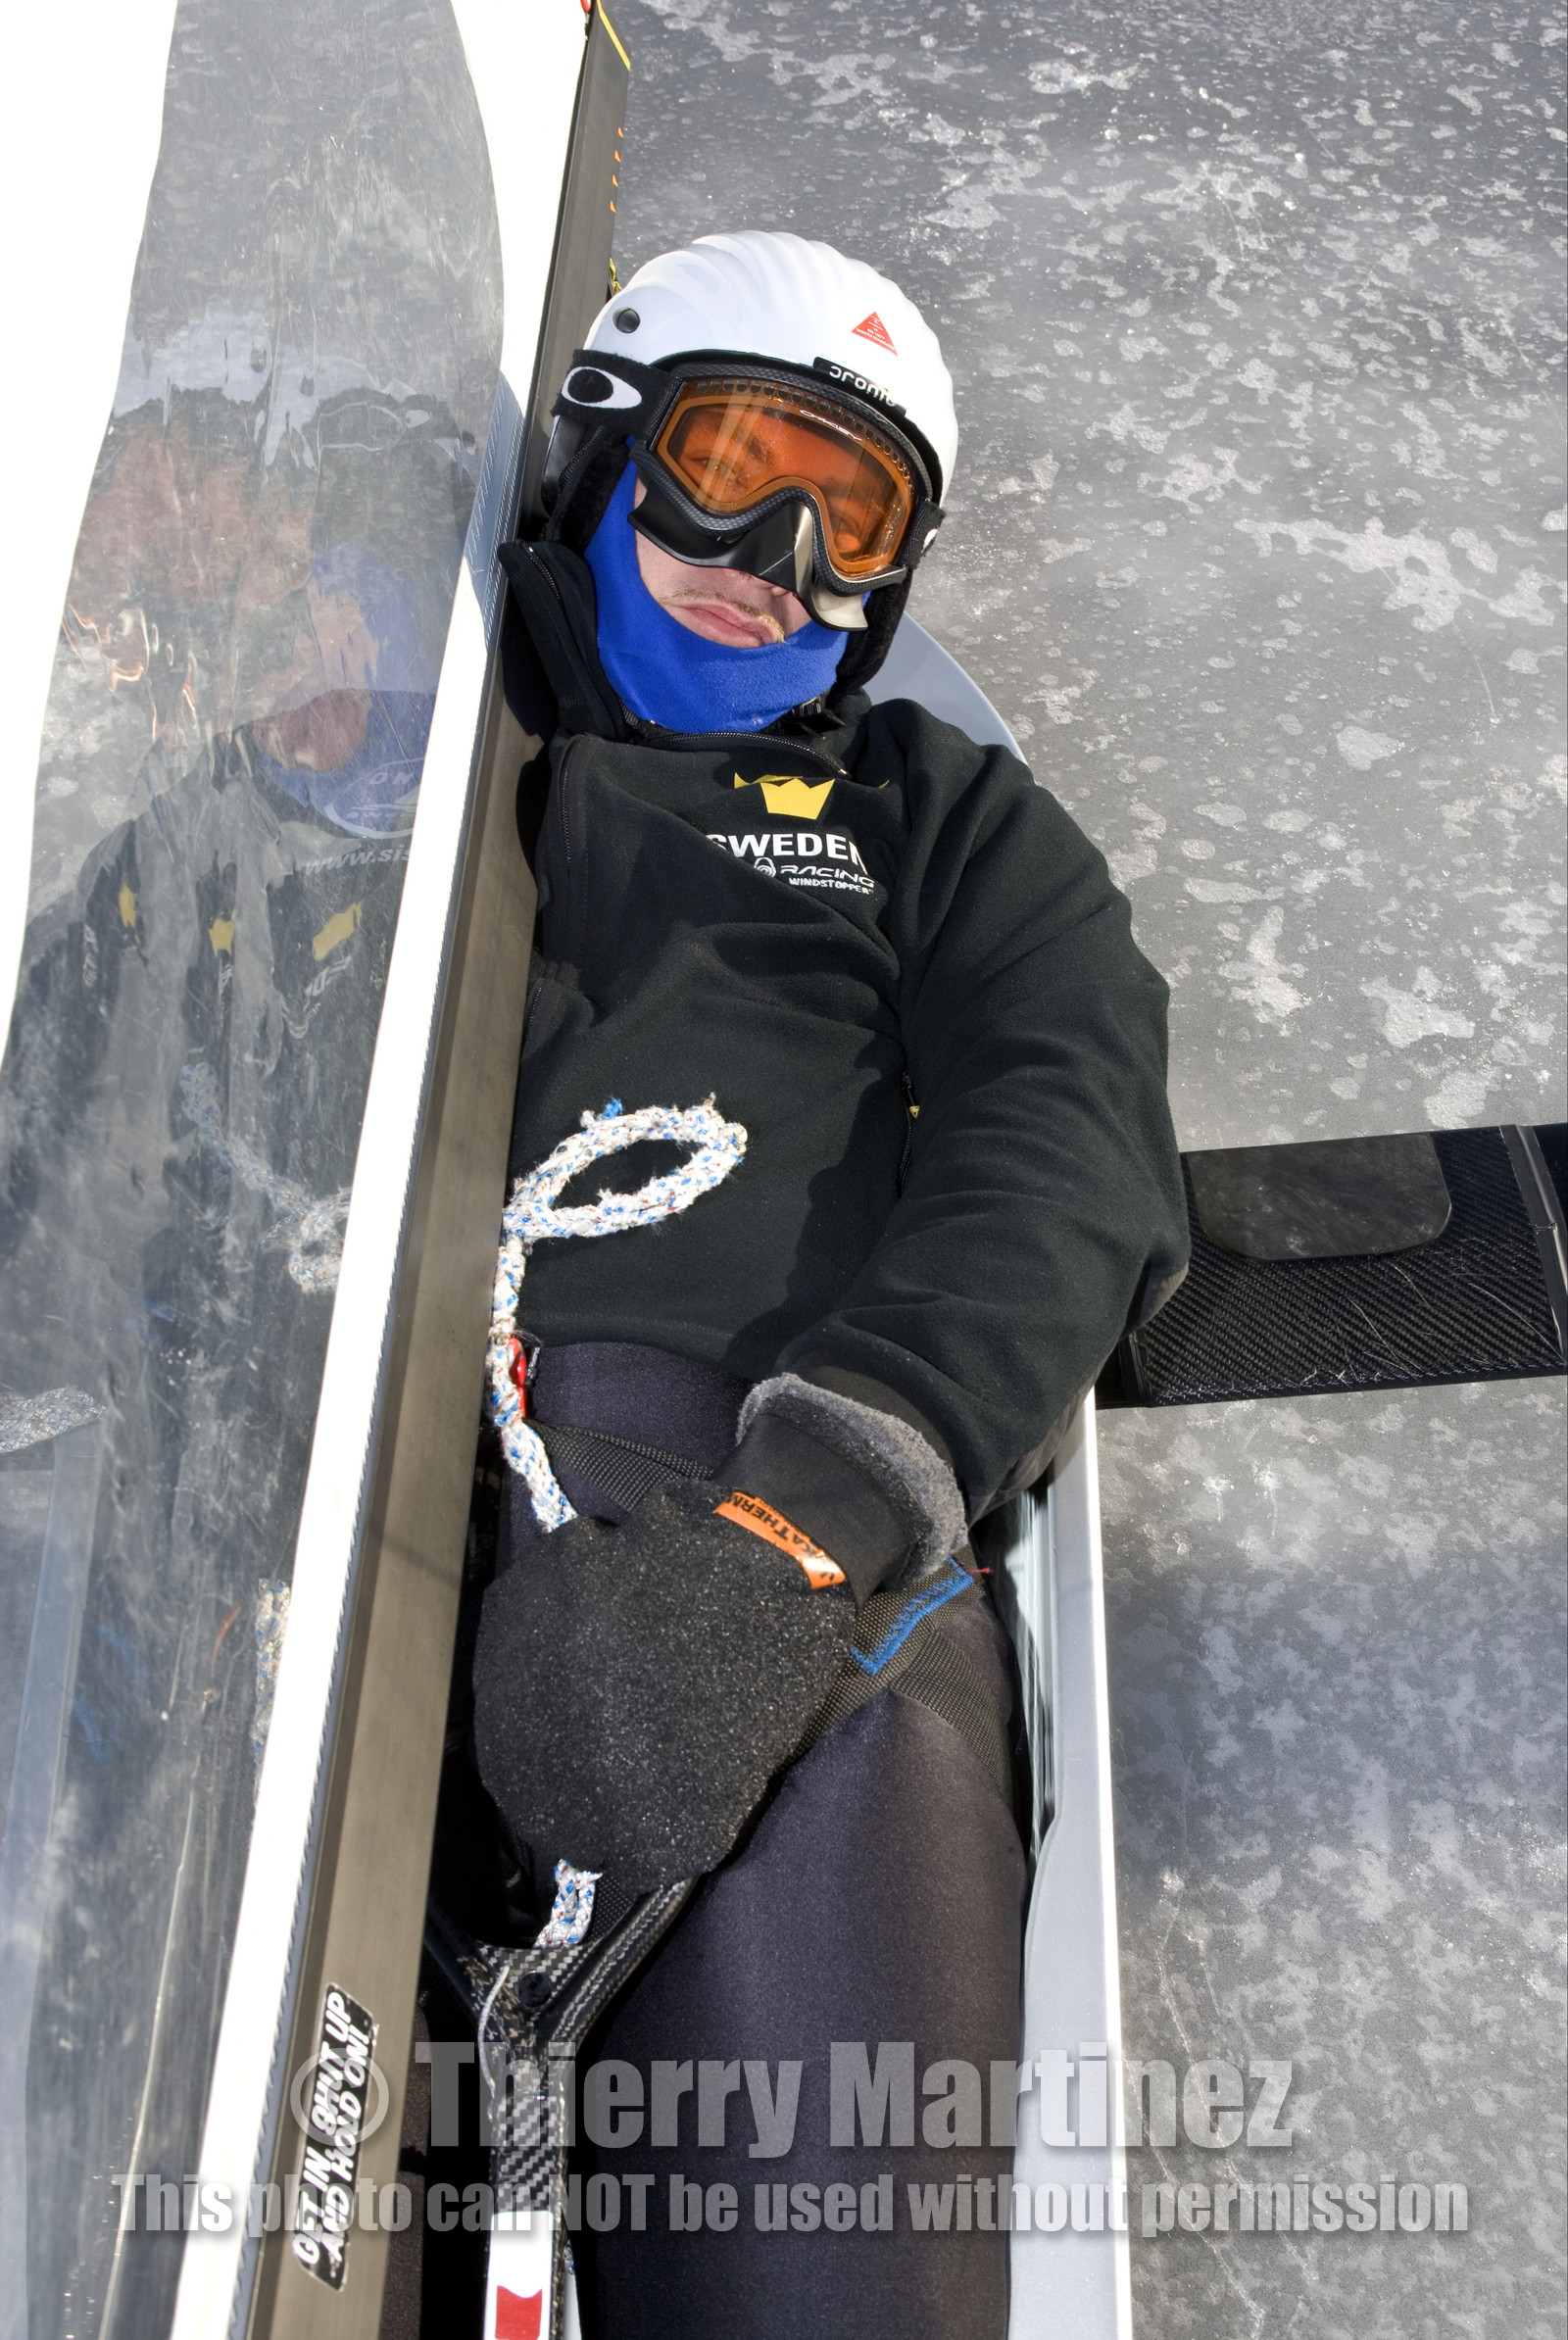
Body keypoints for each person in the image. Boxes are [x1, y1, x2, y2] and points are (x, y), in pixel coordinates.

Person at [462, 230, 1189, 2340]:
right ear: (608, 445)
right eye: (734, 459)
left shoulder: (937, 823)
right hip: (296, 1518)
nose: (771, 550)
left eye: (843, 511)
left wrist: (793, 1540)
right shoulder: (380, 742)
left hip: (761, 1559)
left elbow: (1066, 1159)